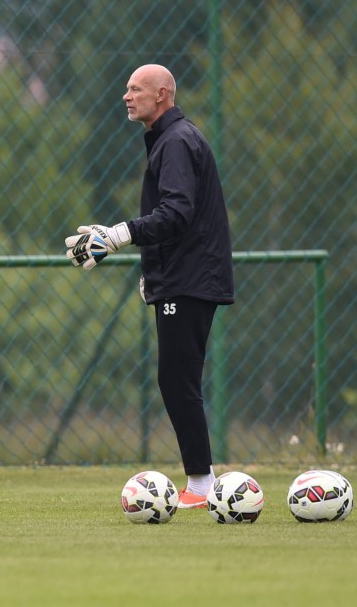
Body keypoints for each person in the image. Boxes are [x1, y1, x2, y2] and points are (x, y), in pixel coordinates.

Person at [64, 64, 234, 509]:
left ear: (162, 95)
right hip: (184, 277)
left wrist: (118, 235)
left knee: (177, 380)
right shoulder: (171, 139)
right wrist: (154, 273)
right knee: (177, 379)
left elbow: (177, 212)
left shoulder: (176, 141)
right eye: (126, 88)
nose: (126, 96)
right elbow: (182, 219)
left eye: (135, 89)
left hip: (190, 280)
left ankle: (202, 486)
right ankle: (203, 481)